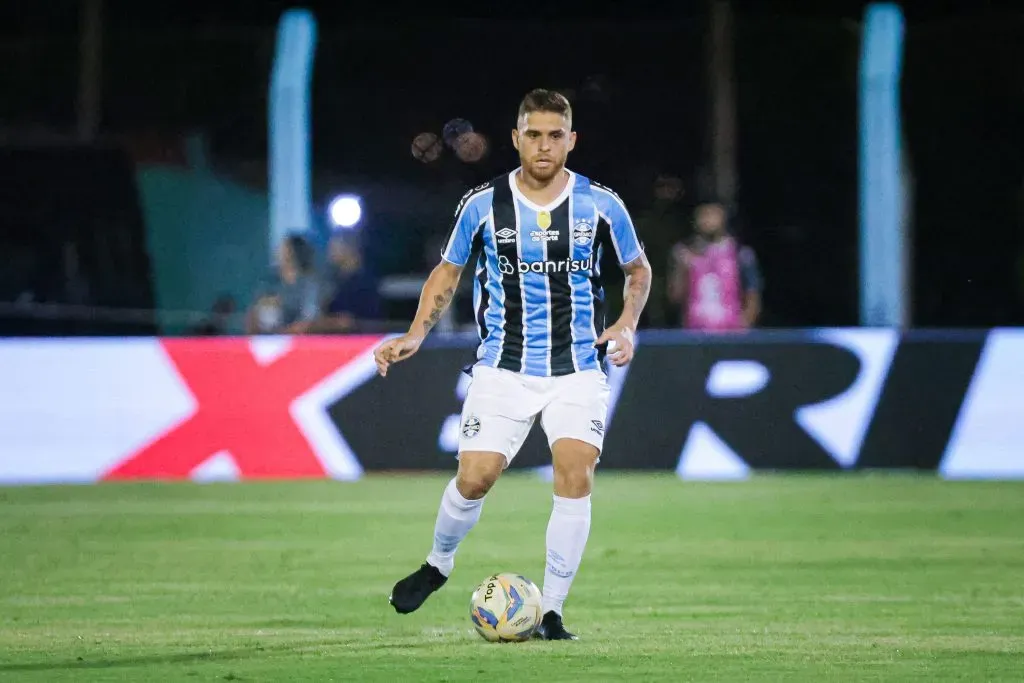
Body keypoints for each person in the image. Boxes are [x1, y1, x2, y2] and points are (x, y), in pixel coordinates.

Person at [374, 89, 652, 641]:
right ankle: (438, 563)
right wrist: (414, 334)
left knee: (575, 475)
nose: (544, 145)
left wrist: (626, 325)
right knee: (475, 480)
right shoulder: (482, 204)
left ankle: (550, 611)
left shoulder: (601, 204)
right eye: (533, 134)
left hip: (577, 367)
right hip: (502, 366)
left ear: (571, 140)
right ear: (516, 138)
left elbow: (637, 271)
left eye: (555, 135)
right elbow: (448, 273)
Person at [668, 200, 762, 331]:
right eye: (703, 215)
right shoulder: (685, 253)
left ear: (723, 217)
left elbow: (752, 295)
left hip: (731, 332)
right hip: (694, 332)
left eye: (713, 215)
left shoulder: (741, 253)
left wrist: (744, 325)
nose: (708, 220)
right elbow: (675, 297)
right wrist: (681, 268)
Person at [245, 233, 322, 335]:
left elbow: (309, 319)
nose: (278, 251)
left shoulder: (309, 283)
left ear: (293, 252)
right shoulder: (269, 282)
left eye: (284, 247)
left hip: (300, 342)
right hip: (266, 342)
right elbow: (252, 318)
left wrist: (283, 333)